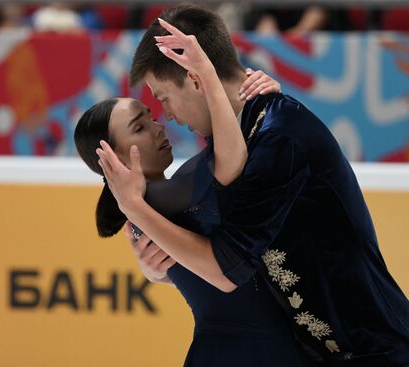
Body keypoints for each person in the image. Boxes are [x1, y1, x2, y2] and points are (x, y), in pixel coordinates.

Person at [98, 5, 409, 366]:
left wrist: (133, 206)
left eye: (163, 97)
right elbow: (220, 252)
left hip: (376, 350)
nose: (166, 114)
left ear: (196, 79)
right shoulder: (236, 139)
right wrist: (162, 270)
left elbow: (227, 268)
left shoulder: (279, 136)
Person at [75, 63, 317, 365]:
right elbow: (231, 156)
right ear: (111, 159)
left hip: (237, 346)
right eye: (139, 127)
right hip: (249, 350)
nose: (158, 126)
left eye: (150, 117)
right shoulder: (159, 201)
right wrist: (261, 104)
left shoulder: (153, 207)